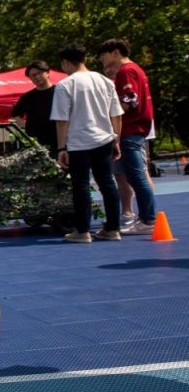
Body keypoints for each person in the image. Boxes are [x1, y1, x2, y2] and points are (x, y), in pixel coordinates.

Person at [50, 43, 123, 243]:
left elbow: (61, 120)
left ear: (66, 63)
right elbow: (116, 114)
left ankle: (83, 231)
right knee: (107, 183)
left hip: (78, 142)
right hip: (104, 139)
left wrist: (61, 147)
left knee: (80, 186)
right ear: (85, 59)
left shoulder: (65, 85)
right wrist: (116, 139)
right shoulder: (105, 81)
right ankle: (113, 229)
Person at [97, 38, 156, 235]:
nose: (102, 60)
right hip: (135, 129)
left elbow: (130, 99)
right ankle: (145, 217)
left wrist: (110, 115)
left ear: (115, 52)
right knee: (134, 176)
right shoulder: (134, 69)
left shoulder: (126, 71)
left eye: (103, 56)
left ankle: (148, 219)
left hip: (130, 129)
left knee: (136, 176)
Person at [12, 59, 59, 155]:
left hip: (58, 141)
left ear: (47, 73)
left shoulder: (60, 92)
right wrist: (26, 129)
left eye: (39, 73)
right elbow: (16, 114)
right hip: (36, 144)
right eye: (33, 75)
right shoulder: (27, 97)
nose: (36, 77)